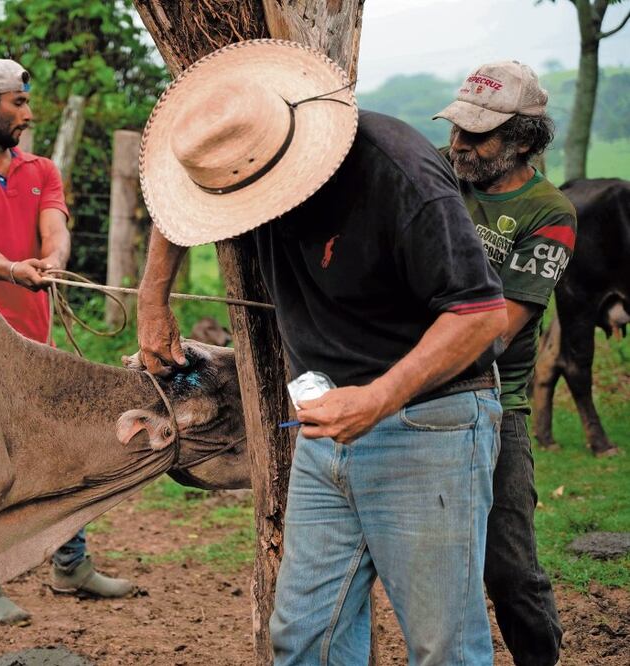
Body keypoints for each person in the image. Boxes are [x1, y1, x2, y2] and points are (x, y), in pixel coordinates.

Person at [133, 40, 507, 664]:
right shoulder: (236, 153)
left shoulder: (400, 175)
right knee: (305, 635)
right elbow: (173, 205)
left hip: (427, 422)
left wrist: (380, 397)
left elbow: (481, 317)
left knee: (444, 646)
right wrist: (152, 297)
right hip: (325, 426)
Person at [0, 58, 134, 625]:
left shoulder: (42, 169)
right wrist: (16, 271)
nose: (27, 113)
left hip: (35, 341)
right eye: (18, 102)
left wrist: (53, 262)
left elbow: (55, 229)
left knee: (63, 447)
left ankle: (71, 563)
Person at [434, 61, 574, 666]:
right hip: (408, 390)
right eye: (456, 129)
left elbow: (499, 329)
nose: (458, 144)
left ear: (521, 140)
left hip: (495, 403)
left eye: (476, 135)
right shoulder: (438, 175)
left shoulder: (551, 212)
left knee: (510, 569)